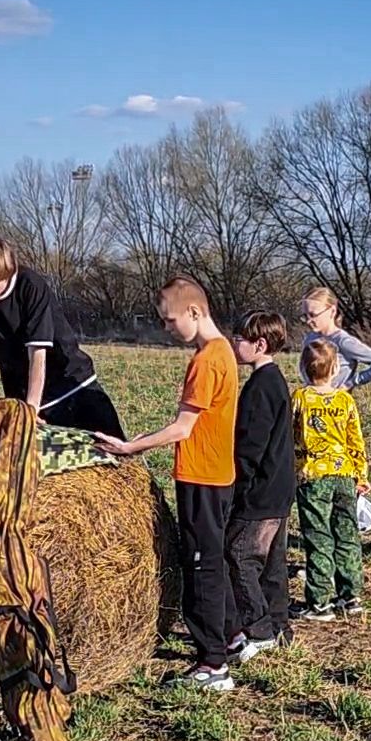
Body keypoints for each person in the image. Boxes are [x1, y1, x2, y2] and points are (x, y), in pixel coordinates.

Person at [94, 277, 238, 691]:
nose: (167, 328)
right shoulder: (222, 350)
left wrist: (129, 447)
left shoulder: (207, 360)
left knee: (201, 568)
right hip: (217, 476)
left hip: (202, 478)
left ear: (194, 312)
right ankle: (231, 635)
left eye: (169, 320)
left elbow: (182, 429)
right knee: (212, 560)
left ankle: (212, 664)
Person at [0, 233, 124, 436]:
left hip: (73, 388)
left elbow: (38, 355)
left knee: (115, 453)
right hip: (21, 394)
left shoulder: (30, 287)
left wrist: (31, 409)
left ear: (6, 271)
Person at [226, 311, 296, 661]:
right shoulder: (276, 381)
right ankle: (280, 627)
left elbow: (251, 445)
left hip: (261, 492)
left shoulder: (260, 387)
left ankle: (259, 628)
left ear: (260, 343)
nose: (234, 344)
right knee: (272, 563)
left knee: (240, 555)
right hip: (280, 489)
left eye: (239, 338)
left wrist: (238, 488)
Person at [291, 339, 369, 621]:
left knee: (319, 538)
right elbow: (355, 441)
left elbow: (289, 435)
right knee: (347, 535)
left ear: (302, 367)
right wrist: (361, 475)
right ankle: (351, 596)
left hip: (313, 477)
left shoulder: (299, 398)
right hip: (345, 475)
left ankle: (320, 601)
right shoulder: (345, 400)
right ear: (336, 368)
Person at [298, 286, 371, 391]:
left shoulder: (343, 341)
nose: (308, 321)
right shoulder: (310, 339)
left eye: (313, 315)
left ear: (332, 311)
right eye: (305, 316)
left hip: (336, 404)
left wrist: (350, 383)